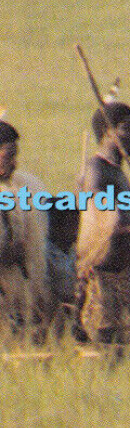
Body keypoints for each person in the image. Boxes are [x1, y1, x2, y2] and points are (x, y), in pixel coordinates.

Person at [75, 101, 130, 348]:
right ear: (108, 133)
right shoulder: (96, 170)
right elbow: (99, 226)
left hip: (122, 273)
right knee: (104, 345)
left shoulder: (118, 172)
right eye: (127, 128)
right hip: (101, 274)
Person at [0, 120, 49, 336]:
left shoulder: (21, 189)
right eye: (8, 155)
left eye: (15, 156)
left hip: (17, 298)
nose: (14, 163)